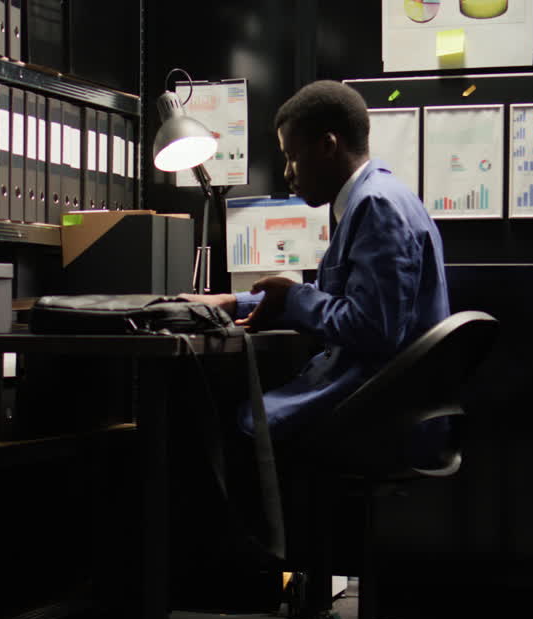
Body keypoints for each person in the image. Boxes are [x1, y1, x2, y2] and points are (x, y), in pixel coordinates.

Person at [182, 79, 451, 448]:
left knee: (239, 422)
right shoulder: (378, 197)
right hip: (388, 397)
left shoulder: (376, 206)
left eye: (292, 156)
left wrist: (292, 297)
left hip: (378, 404)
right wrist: (233, 303)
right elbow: (335, 301)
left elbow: (372, 326)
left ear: (328, 146)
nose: (287, 173)